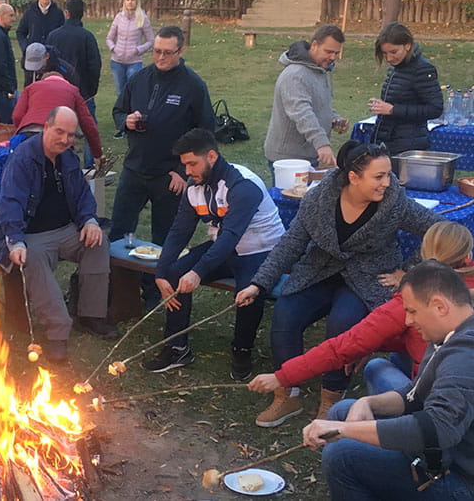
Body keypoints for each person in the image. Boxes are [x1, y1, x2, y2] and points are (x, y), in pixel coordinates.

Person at [236, 140, 441, 428]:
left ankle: (330, 400)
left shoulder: (394, 201)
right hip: (318, 271)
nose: (388, 182)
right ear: (353, 177)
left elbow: (439, 232)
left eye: (389, 175)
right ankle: (288, 393)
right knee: (285, 316)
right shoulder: (318, 199)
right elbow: (291, 245)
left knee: (343, 325)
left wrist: (408, 273)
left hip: (368, 276)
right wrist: (259, 284)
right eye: (379, 176)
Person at [304, 260, 474, 501]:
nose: (407, 321)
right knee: (345, 409)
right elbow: (415, 394)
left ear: (439, 306)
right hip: (441, 456)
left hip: (461, 480)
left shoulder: (466, 354)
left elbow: (439, 428)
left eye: (412, 311)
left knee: (342, 455)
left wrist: (347, 431)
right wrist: (369, 403)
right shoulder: (449, 336)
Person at [247, 221, 474, 398]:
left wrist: (282, 376)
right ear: (467, 256)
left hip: (440, 399)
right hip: (458, 380)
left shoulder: (414, 297)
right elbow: (416, 337)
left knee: (377, 367)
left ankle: (395, 423)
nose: (408, 319)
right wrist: (372, 343)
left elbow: (341, 347)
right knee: (400, 351)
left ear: (423, 254)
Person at [143, 129, 285, 381]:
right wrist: (162, 271)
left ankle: (242, 350)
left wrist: (198, 272)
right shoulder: (194, 186)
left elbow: (231, 234)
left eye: (192, 163)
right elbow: (179, 230)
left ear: (211, 156)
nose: (187, 171)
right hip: (224, 245)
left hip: (261, 250)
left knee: (248, 293)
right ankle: (177, 347)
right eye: (184, 164)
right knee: (176, 273)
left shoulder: (243, 185)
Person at [0, 106, 120, 364]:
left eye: (71, 135)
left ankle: (91, 315)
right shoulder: (24, 159)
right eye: (60, 132)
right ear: (46, 127)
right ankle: (57, 334)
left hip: (66, 229)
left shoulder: (69, 158)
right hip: (31, 233)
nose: (65, 139)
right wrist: (15, 240)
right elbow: (9, 202)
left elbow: (84, 195)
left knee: (98, 243)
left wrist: (90, 221)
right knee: (34, 258)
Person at [110, 25, 215, 246]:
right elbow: (118, 111)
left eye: (167, 52)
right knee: (118, 231)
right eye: (157, 51)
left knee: (164, 240)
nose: (160, 57)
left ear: (181, 51)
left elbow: (205, 133)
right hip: (134, 168)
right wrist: (125, 121)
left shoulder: (193, 86)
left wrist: (182, 171)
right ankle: (117, 279)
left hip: (169, 175)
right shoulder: (139, 78)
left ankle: (156, 281)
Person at [263, 24, 349, 169]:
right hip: (288, 158)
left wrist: (333, 118)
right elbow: (302, 113)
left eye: (336, 53)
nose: (333, 57)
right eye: (328, 51)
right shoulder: (295, 75)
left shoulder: (321, 71)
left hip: (309, 154)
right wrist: (322, 144)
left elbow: (318, 105)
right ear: (314, 45)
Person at [13, 43, 102, 161]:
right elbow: (88, 124)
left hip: (28, 134)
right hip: (59, 136)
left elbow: (17, 115)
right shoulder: (73, 90)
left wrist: (22, 128)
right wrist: (98, 154)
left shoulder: (31, 88)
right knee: (61, 174)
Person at [367, 22, 443, 154]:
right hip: (388, 140)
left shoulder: (422, 69)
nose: (389, 58)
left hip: (408, 145)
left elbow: (435, 109)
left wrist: (393, 110)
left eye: (393, 52)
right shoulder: (396, 68)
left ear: (407, 45)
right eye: (384, 53)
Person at [45, 0, 102, 168]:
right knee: (89, 127)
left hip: (58, 92)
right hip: (83, 92)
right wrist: (91, 90)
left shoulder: (53, 35)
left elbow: (47, 63)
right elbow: (94, 65)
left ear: (66, 13)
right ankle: (90, 164)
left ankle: (58, 160)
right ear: (82, 14)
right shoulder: (87, 37)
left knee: (59, 128)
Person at [106, 0, 154, 100]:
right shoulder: (119, 17)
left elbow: (151, 41)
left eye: (133, 0)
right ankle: (121, 115)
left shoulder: (143, 18)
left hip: (134, 62)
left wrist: (138, 50)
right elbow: (109, 38)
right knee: (120, 92)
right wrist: (113, 48)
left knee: (133, 91)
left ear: (137, 2)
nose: (130, 2)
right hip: (117, 62)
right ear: (124, 1)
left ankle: (132, 114)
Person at [16, 0, 64, 87]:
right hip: (32, 58)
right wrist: (26, 48)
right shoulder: (30, 12)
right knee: (31, 88)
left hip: (51, 58)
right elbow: (20, 32)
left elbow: (62, 34)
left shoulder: (58, 13)